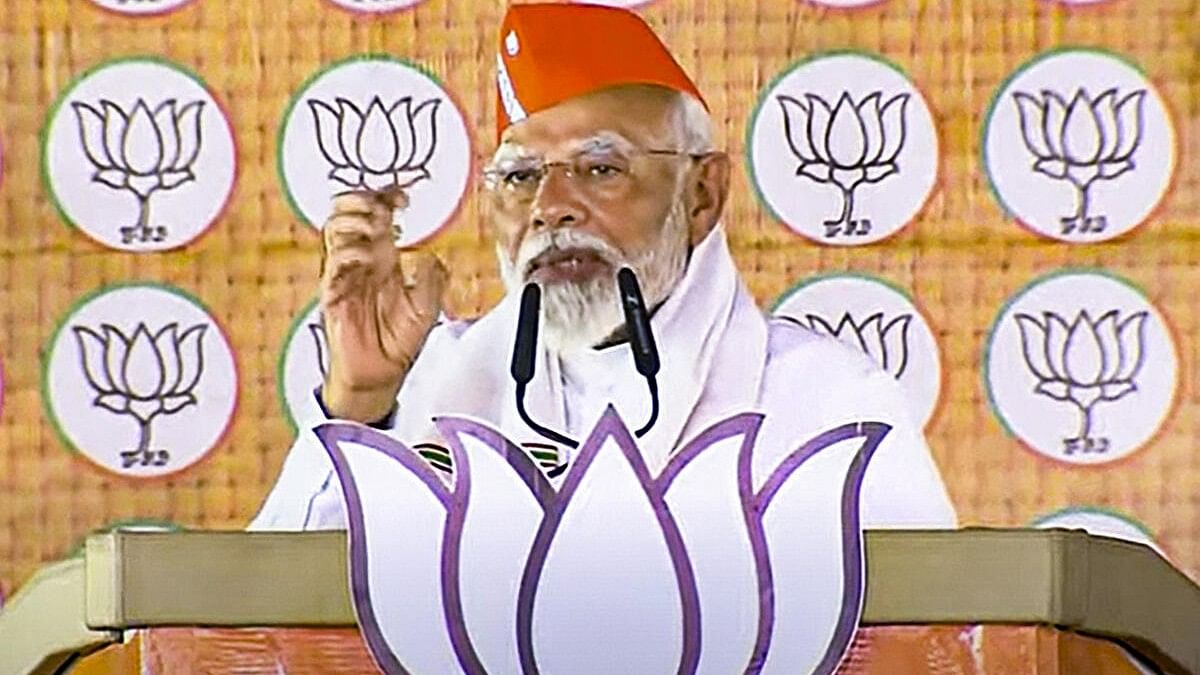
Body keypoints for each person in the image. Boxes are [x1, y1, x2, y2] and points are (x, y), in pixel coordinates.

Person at [250, 3, 956, 530]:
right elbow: (261, 632)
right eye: (522, 176)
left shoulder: (832, 408)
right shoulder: (436, 386)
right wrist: (358, 408)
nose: (552, 208)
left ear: (702, 193)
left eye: (600, 167)